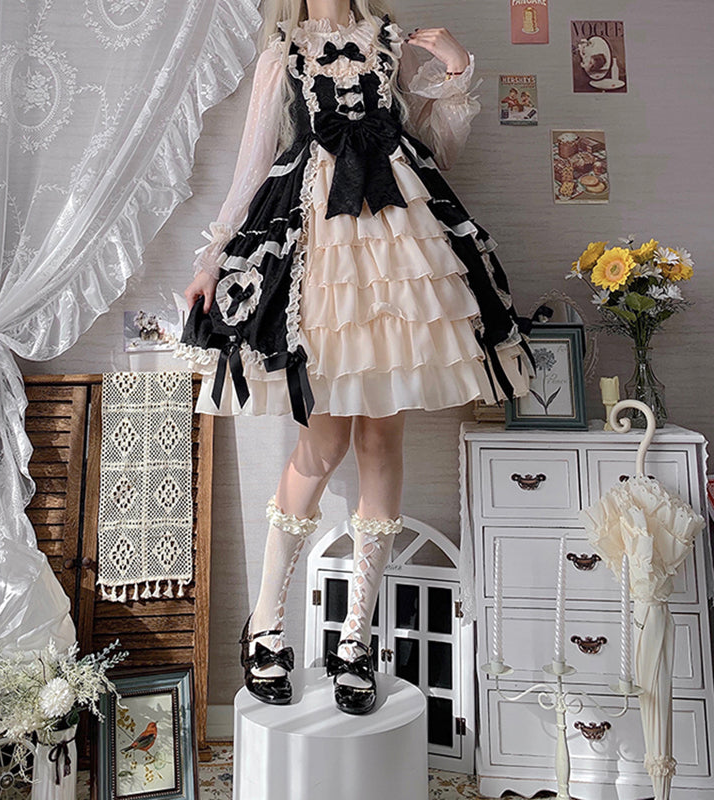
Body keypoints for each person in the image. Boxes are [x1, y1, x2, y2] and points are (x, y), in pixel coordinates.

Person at [178, 0, 532, 715]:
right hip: (320, 253)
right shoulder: (282, 52)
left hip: (398, 249)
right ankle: (266, 624)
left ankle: (354, 638)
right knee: (323, 441)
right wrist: (212, 258)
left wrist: (455, 72)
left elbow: (437, 148)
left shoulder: (392, 42)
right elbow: (251, 167)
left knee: (380, 440)